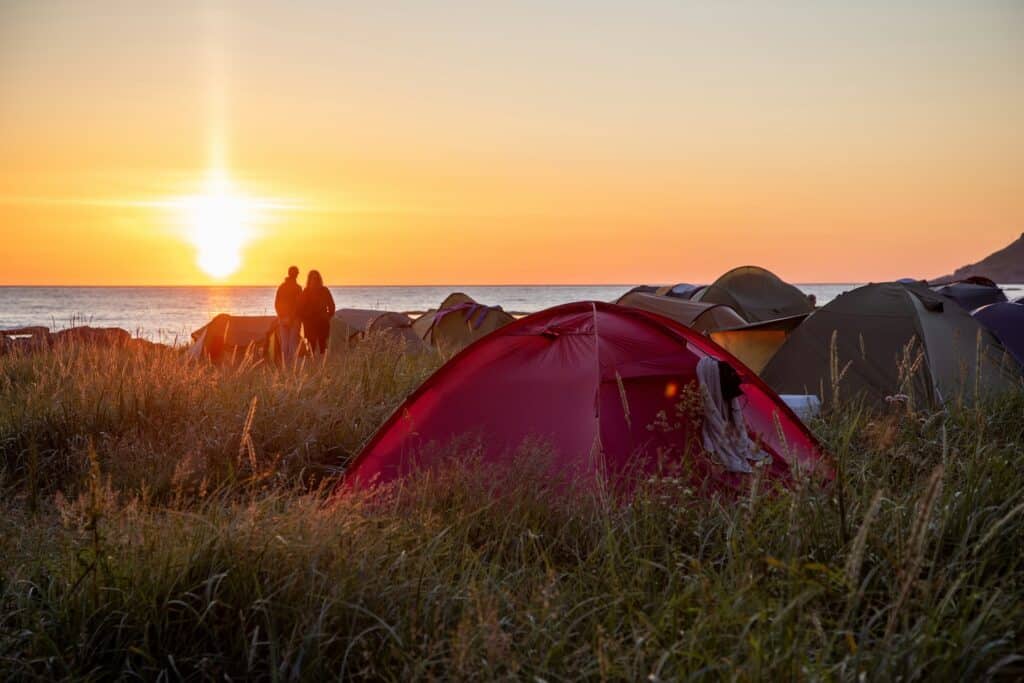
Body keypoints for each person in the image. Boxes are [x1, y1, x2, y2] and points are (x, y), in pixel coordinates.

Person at [299, 269, 336, 355]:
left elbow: (331, 305)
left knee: (322, 344)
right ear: (309, 279)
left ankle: (322, 364)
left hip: (322, 321)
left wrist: (328, 316)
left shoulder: (324, 290)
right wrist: (304, 318)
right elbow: (300, 308)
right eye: (313, 278)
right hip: (310, 322)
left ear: (319, 279)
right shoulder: (306, 292)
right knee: (312, 345)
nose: (315, 280)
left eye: (316, 278)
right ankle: (314, 364)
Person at [275, 266, 302, 363]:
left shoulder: (281, 287)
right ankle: (291, 366)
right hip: (293, 319)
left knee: (284, 343)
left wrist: (281, 316)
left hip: (283, 319)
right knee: (292, 343)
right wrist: (292, 317)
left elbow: (277, 304)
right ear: (296, 274)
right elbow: (298, 305)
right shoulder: (297, 288)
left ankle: (285, 365)